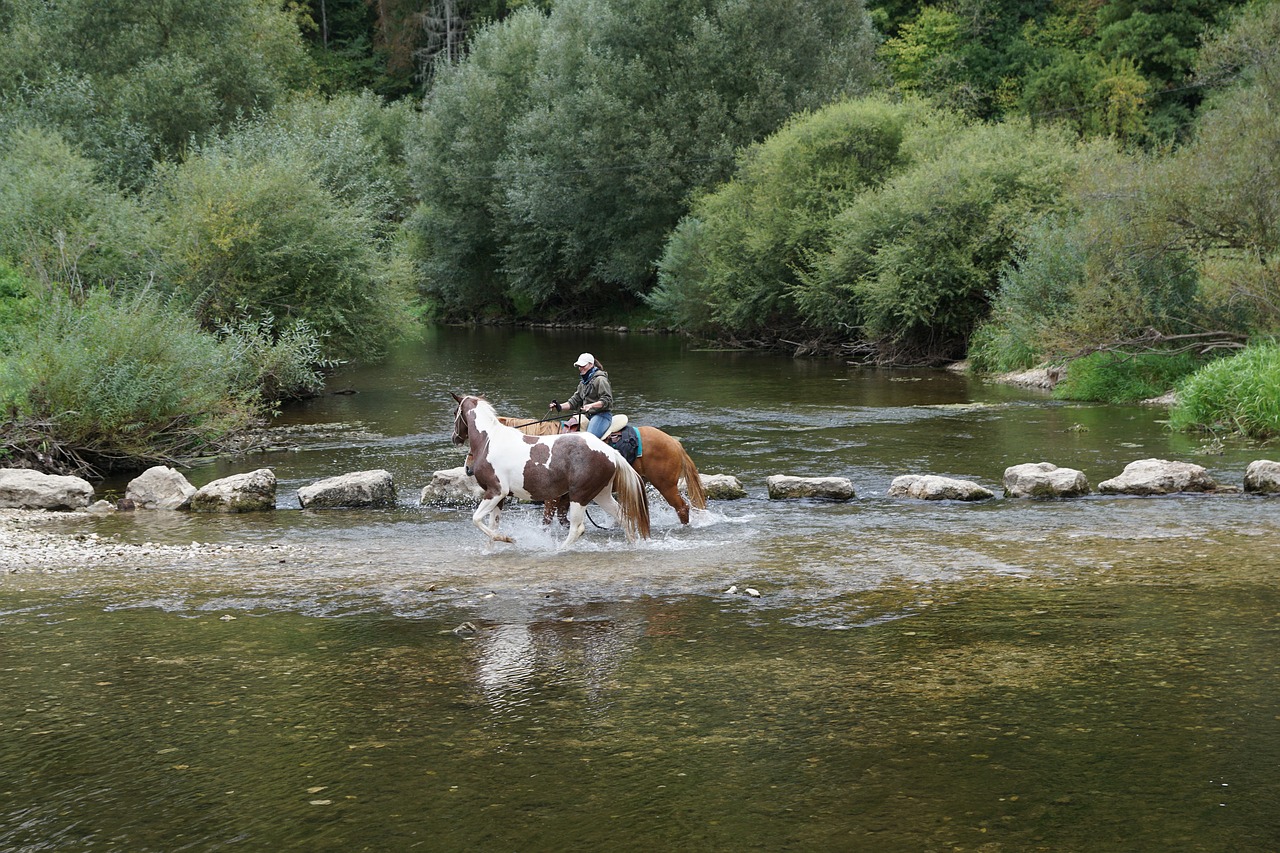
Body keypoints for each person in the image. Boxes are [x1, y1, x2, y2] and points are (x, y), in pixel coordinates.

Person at [549, 353, 613, 439]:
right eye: (579, 366)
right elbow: (575, 401)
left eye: (583, 366)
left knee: (589, 438)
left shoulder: (601, 380)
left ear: (591, 364)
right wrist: (559, 406)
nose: (580, 369)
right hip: (587, 416)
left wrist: (591, 405)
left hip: (602, 415)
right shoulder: (583, 382)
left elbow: (607, 400)